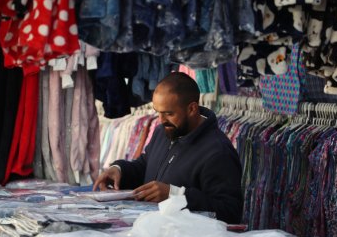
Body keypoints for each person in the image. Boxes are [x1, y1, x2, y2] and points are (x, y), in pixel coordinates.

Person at [93, 72, 243, 224]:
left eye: (169, 113)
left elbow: (230, 211)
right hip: (155, 234)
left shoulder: (218, 151)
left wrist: (176, 195)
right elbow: (146, 166)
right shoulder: (164, 131)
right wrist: (120, 170)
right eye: (158, 112)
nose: (161, 120)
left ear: (192, 109)